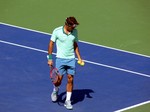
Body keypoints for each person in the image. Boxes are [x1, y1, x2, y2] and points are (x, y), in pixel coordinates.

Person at [47, 16, 84, 110]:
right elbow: (51, 43)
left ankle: (68, 100)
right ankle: (55, 90)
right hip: (60, 59)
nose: (74, 28)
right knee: (58, 80)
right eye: (73, 26)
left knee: (70, 79)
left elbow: (75, 44)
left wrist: (79, 57)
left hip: (71, 59)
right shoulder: (57, 31)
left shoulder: (75, 32)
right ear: (67, 25)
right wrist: (50, 58)